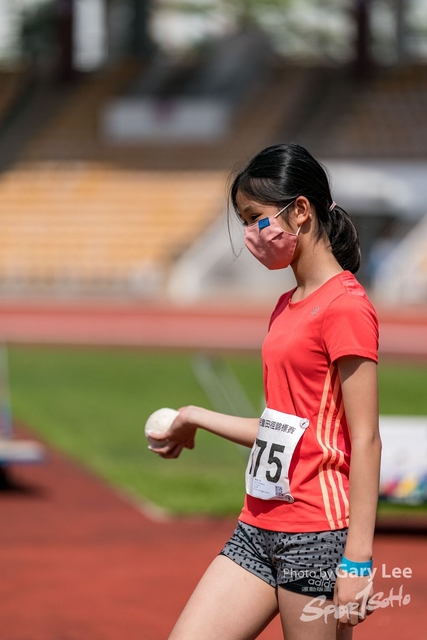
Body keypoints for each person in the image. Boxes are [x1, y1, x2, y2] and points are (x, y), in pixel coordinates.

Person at [148, 143, 381, 640]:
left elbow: (365, 439)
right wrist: (194, 415)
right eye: (243, 220)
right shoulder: (286, 305)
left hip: (316, 533)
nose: (251, 234)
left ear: (300, 211)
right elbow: (283, 429)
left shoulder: (346, 308)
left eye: (255, 218)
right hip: (257, 525)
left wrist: (358, 560)